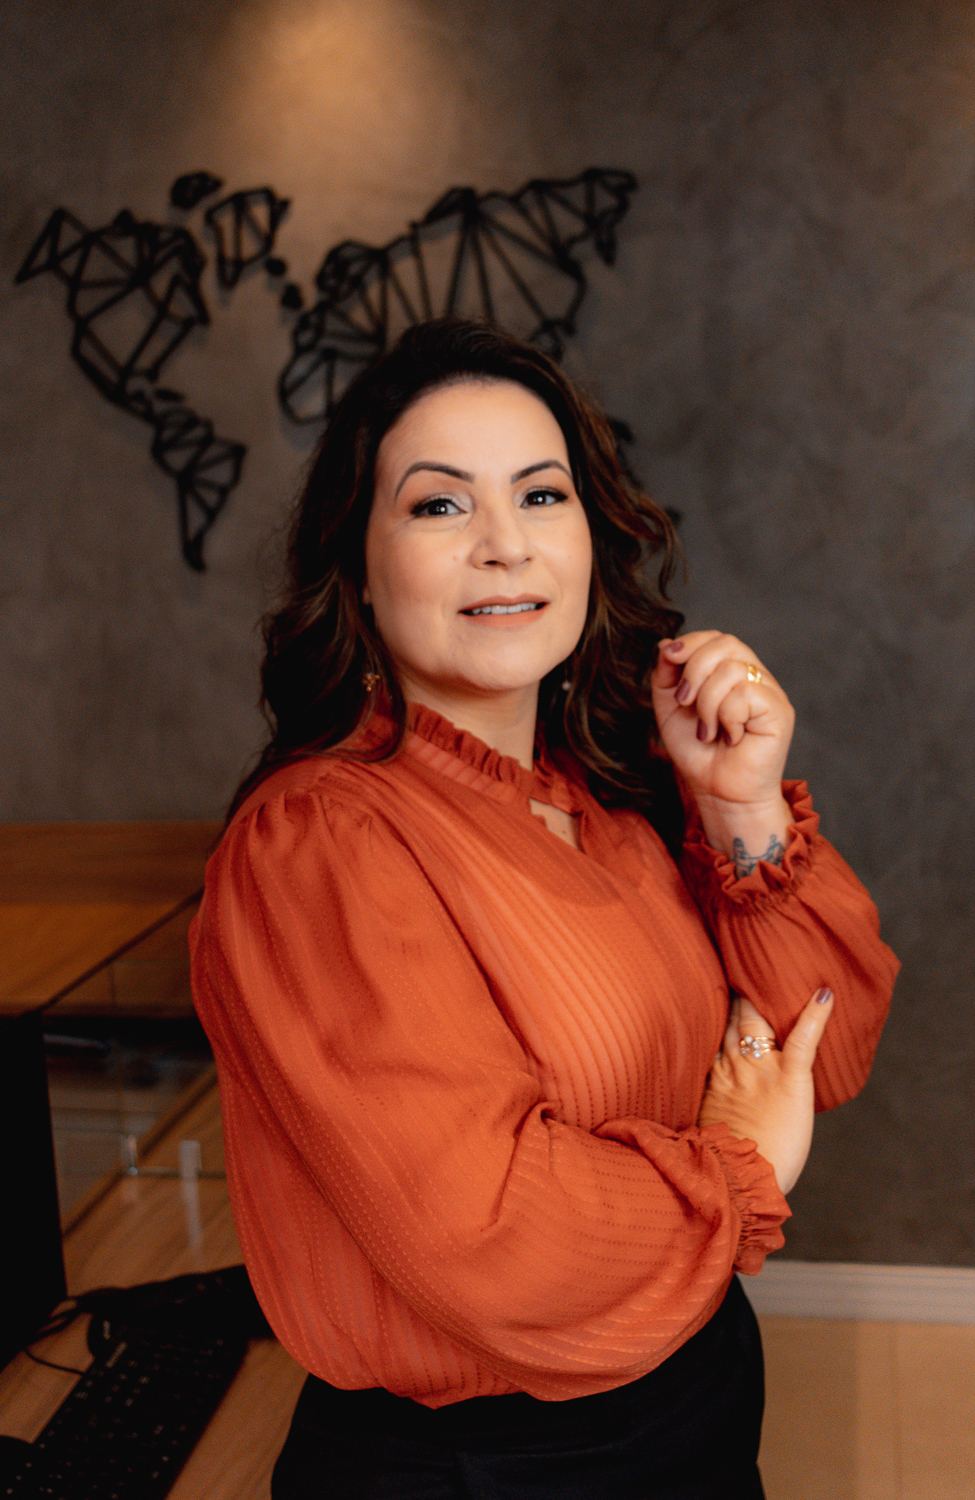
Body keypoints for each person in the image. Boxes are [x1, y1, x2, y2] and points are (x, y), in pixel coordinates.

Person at [190, 319, 898, 1499]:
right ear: (356, 566)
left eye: (540, 494)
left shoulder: (610, 798)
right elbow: (491, 1237)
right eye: (439, 505)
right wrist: (736, 1165)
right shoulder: (317, 842)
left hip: (697, 1390)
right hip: (486, 1466)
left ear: (589, 535)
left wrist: (739, 805)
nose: (506, 545)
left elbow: (825, 1051)